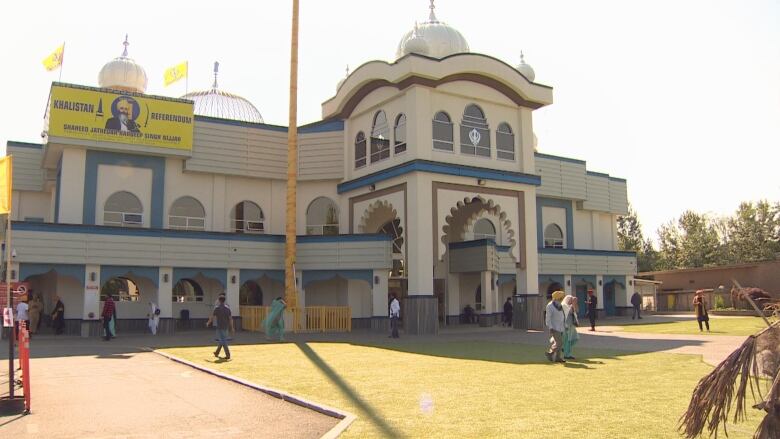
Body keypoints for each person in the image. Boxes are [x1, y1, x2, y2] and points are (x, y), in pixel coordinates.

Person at [207, 295, 234, 360]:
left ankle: (228, 355)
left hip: (219, 327)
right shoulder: (228, 309)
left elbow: (212, 317)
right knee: (222, 340)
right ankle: (217, 353)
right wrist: (232, 327)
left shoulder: (217, 308)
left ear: (219, 301)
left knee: (223, 340)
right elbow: (230, 319)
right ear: (224, 301)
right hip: (226, 326)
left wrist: (208, 323)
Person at [545, 291, 566, 363]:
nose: (562, 299)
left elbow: (562, 315)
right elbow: (548, 318)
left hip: (561, 327)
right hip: (554, 327)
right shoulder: (550, 306)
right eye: (560, 298)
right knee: (559, 342)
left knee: (558, 342)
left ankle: (554, 356)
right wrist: (550, 327)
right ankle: (553, 355)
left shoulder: (560, 305)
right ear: (557, 297)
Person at [561, 295, 580, 360]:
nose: (571, 301)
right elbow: (570, 312)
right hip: (566, 325)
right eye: (570, 300)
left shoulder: (571, 306)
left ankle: (565, 349)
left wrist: (574, 304)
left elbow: (576, 311)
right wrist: (573, 304)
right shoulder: (564, 305)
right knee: (567, 340)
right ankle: (567, 354)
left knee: (575, 338)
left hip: (572, 325)